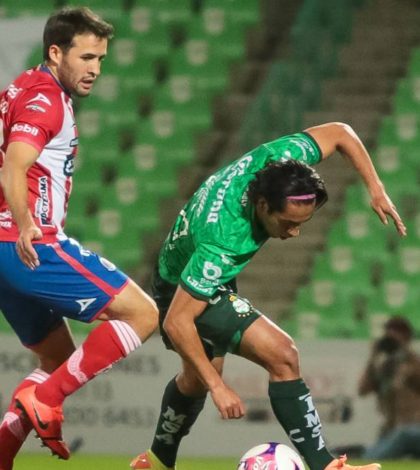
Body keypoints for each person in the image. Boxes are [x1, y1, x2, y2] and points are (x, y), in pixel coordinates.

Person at [130, 122, 407, 470]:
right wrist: (220, 387)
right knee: (281, 354)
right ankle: (325, 465)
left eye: (302, 222)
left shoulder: (281, 161)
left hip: (197, 266)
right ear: (262, 206)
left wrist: (376, 189)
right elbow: (176, 320)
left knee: (194, 380)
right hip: (181, 286)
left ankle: (154, 462)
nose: (295, 232)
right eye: (287, 224)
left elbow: (339, 132)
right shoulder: (225, 239)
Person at [0, 7, 158, 469]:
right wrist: (27, 221)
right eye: (87, 56)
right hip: (29, 244)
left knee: (59, 360)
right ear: (56, 51)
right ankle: (44, 401)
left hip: (4, 251)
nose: (95, 69)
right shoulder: (45, 98)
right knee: (143, 314)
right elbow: (15, 164)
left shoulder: (20, 88)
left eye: (101, 59)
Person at [358, 316, 420, 460]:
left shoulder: (413, 362)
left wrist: (404, 353)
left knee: (403, 435)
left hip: (415, 428)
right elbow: (362, 390)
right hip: (391, 430)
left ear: (407, 338)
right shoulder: (384, 367)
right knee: (365, 453)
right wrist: (373, 356)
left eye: (398, 334)